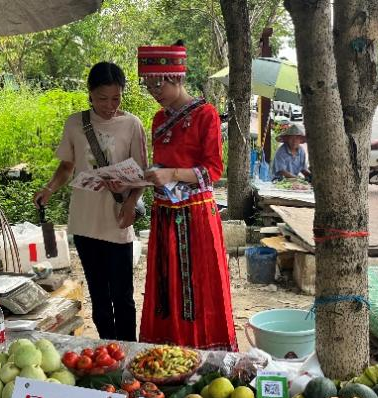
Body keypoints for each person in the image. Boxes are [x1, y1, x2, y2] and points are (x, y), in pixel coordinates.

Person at [34, 62, 147, 342]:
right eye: (102, 98)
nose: (109, 105)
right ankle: (109, 349)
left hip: (118, 219)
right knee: (98, 293)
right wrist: (49, 189)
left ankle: (128, 350)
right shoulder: (75, 123)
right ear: (90, 94)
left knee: (122, 296)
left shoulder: (132, 125)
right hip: (85, 222)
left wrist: (132, 203)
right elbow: (66, 167)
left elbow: (141, 175)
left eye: (116, 98)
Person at [137, 42, 237, 351]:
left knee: (199, 285)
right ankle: (166, 353)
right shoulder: (157, 119)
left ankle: (205, 352)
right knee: (166, 288)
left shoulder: (205, 115)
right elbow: (163, 164)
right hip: (165, 213)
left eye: (159, 83)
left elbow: (213, 170)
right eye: (149, 84)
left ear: (177, 78)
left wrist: (172, 174)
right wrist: (151, 175)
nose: (155, 91)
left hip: (195, 217)